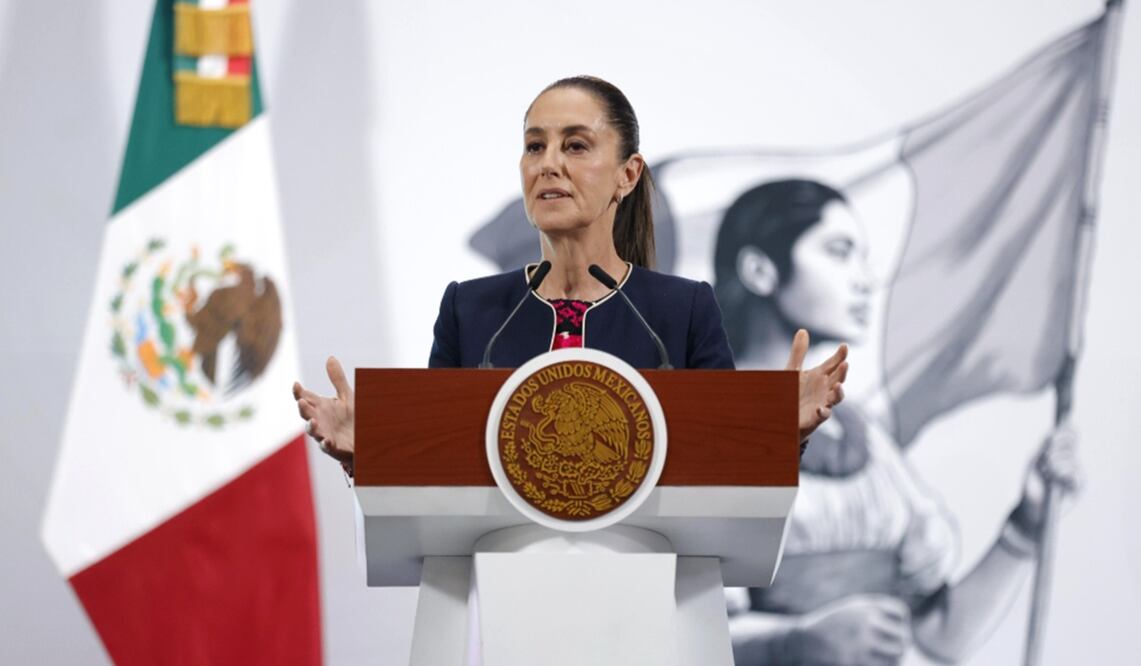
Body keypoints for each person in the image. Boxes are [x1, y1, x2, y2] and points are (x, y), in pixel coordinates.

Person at [293, 76, 848, 473]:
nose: (548, 164)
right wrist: (367, 454)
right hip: (509, 590)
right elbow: (438, 470)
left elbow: (724, 472)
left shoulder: (681, 312)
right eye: (535, 146)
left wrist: (782, 434)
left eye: (575, 145)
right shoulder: (472, 310)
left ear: (628, 175)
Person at [715, 179, 1081, 665]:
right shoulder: (702, 428)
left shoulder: (864, 438)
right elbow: (678, 634)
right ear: (760, 270)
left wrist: (1027, 522)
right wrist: (794, 641)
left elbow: (940, 634)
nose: (866, 280)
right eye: (839, 252)